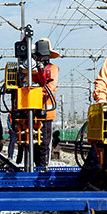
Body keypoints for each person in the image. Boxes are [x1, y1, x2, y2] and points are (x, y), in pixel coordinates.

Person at [34, 38, 60, 168]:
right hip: (32, 112)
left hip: (46, 112)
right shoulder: (37, 69)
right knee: (34, 143)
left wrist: (33, 92)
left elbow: (50, 87)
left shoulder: (53, 69)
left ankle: (43, 167)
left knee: (44, 143)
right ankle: (35, 166)